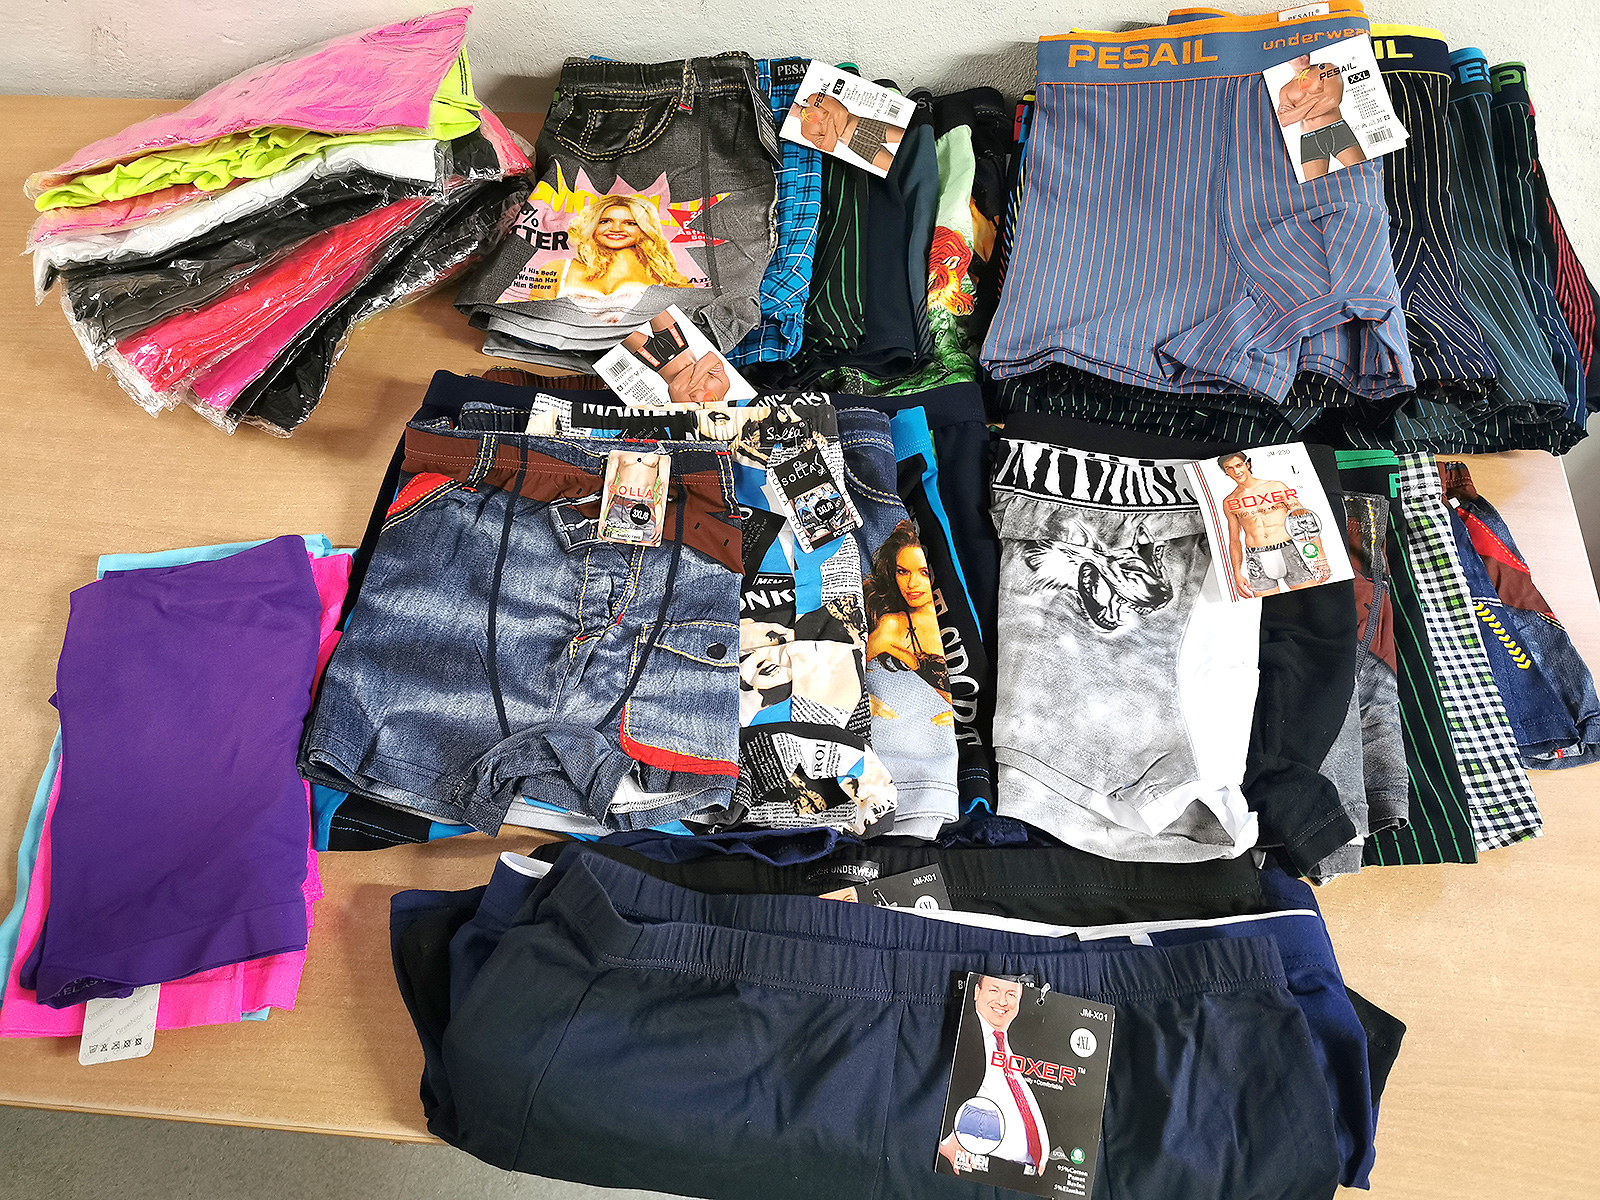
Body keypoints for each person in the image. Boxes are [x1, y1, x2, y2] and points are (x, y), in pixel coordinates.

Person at [938, 975, 1053, 1177]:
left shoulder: (1019, 1046)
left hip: (1032, 1177)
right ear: (977, 992)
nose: (1002, 1001)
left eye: (1011, 994)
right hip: (977, 1171)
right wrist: (944, 1141)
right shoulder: (961, 1030)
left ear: (1020, 999)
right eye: (994, 990)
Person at [1218, 452, 1331, 597]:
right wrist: (1237, 574)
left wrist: (1321, 557)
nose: (1236, 471)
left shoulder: (1276, 487)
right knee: (1269, 607)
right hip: (1255, 556)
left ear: (1247, 465)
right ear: (1226, 472)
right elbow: (1234, 541)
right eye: (1229, 468)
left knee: (1313, 599)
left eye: (1239, 465)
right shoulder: (1229, 501)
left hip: (1288, 550)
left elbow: (1305, 520)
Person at [863, 520, 951, 699]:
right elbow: (845, 672)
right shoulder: (891, 626)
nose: (911, 584)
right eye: (902, 572)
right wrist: (909, 659)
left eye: (923, 572)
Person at [560, 194, 693, 297]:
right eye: (605, 221)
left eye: (630, 223)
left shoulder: (671, 279)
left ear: (644, 229)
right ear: (593, 226)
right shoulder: (560, 269)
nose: (616, 229)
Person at [1275, 55, 1368, 180]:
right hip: (1309, 138)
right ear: (1287, 59)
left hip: (1337, 130)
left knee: (1363, 175)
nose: (1304, 57)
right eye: (1298, 55)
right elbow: (1284, 120)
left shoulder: (1327, 69)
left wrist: (1296, 113)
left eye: (1305, 52)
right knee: (1315, 188)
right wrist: (1315, 99)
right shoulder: (1285, 90)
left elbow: (1333, 100)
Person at [620, 310, 733, 406]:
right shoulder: (723, 385)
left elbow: (674, 387)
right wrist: (692, 382)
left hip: (655, 358)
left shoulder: (689, 408)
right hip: (677, 343)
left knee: (616, 328)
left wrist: (701, 367)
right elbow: (711, 356)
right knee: (650, 304)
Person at [790, 90, 903, 173]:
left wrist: (831, 134)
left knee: (908, 138)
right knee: (897, 171)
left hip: (863, 125)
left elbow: (841, 112)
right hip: (856, 145)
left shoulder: (813, 99)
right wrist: (830, 120)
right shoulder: (805, 132)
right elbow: (828, 147)